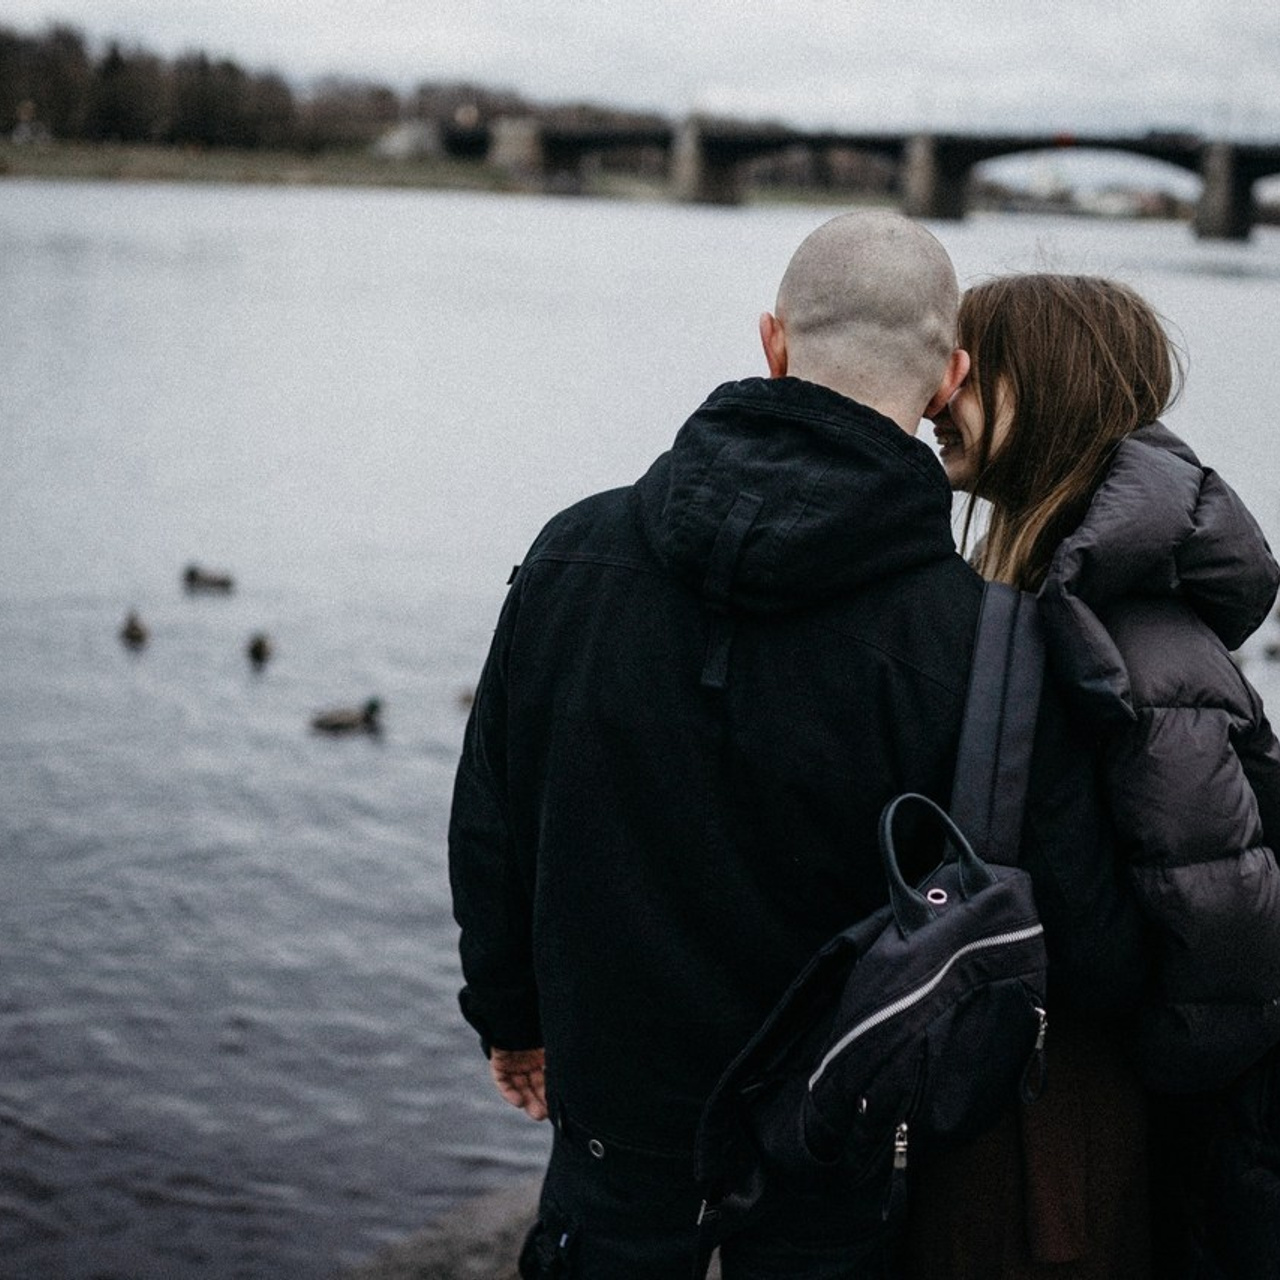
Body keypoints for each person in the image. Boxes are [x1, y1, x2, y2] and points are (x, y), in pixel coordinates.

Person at [448, 215, 1141, 1278]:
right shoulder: (987, 643)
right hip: (839, 1175)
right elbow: (1079, 934)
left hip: (611, 1159)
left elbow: (492, 815)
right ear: (945, 377)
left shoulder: (569, 553)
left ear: (770, 342)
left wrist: (509, 1018)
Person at [927, 272, 1280, 1278]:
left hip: (1078, 1122)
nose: (931, 396)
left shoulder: (1126, 630)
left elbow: (1219, 929)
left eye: (964, 371)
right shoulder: (1053, 590)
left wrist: (1117, 1081)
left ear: (1039, 390)